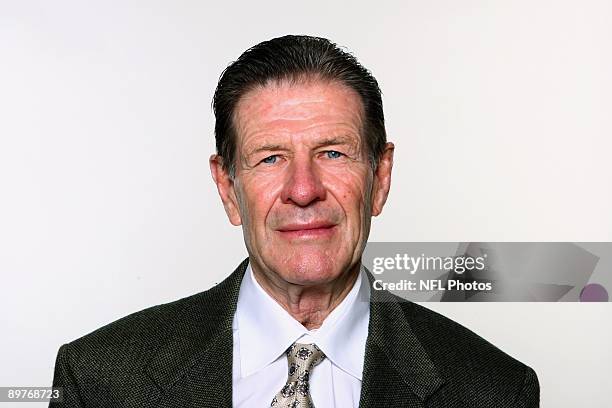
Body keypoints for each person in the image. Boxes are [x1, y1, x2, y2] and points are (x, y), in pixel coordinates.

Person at [50, 35, 539, 407]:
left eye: (332, 152)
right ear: (227, 188)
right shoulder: (99, 379)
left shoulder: (493, 389)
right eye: (270, 158)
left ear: (380, 177)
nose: (303, 189)